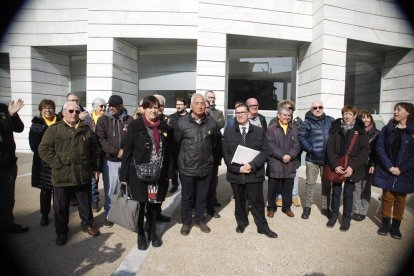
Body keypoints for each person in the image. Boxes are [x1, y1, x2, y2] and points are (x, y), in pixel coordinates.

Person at [38, 101, 100, 246]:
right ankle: (61, 232)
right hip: (62, 176)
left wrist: (95, 168)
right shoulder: (55, 129)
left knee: (85, 203)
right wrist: (56, 164)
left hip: (82, 174)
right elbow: (44, 149)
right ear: (64, 112)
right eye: (71, 111)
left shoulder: (86, 129)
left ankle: (87, 224)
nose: (74, 114)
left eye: (77, 112)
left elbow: (94, 150)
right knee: (61, 207)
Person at [119, 96, 173, 250]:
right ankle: (141, 232)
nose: (153, 110)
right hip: (138, 174)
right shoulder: (135, 126)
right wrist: (124, 176)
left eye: (156, 107)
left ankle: (152, 230)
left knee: (155, 204)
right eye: (150, 107)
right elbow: (127, 152)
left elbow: (169, 153)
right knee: (141, 203)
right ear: (143, 108)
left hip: (158, 175)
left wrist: (169, 172)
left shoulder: (165, 127)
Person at [223, 103, 277, 238]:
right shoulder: (229, 131)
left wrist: (252, 164)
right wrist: (238, 168)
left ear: (248, 114)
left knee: (257, 202)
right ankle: (241, 222)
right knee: (239, 201)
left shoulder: (259, 131)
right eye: (237, 113)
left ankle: (262, 227)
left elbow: (265, 151)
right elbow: (226, 154)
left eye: (243, 112)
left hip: (254, 173)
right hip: (236, 174)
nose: (240, 115)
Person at [175, 93, 221, 236]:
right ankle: (186, 222)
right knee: (187, 197)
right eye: (197, 103)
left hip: (206, 167)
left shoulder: (211, 122)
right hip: (187, 168)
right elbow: (175, 145)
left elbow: (216, 143)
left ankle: (200, 220)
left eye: (203, 103)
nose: (200, 106)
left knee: (202, 196)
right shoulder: (182, 123)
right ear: (191, 106)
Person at [325, 105, 369, 231]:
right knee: (336, 193)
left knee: (349, 194)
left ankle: (346, 220)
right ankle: (333, 217)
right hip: (338, 165)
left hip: (352, 167)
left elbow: (365, 151)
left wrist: (352, 167)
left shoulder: (360, 130)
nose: (347, 116)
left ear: (354, 116)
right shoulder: (336, 128)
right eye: (345, 113)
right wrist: (335, 165)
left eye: (350, 113)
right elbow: (330, 148)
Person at [374, 102, 414, 239]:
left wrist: (401, 168)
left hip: (404, 172)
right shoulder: (388, 128)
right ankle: (385, 224)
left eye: (398, 110)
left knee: (400, 199)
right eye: (395, 110)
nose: (395, 112)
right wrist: (389, 166)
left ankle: (396, 227)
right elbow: (379, 148)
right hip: (388, 168)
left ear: (407, 112)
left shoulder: (412, 130)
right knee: (387, 196)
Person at [96, 94, 133, 226]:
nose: (111, 108)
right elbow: (102, 140)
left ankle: (124, 213)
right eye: (109, 105)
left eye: (114, 106)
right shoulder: (102, 120)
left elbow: (133, 138)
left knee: (126, 189)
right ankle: (109, 214)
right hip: (110, 161)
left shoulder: (129, 120)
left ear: (121, 106)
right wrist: (116, 152)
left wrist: (126, 152)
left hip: (126, 160)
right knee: (111, 189)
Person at [298, 101, 335, 219]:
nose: (318, 109)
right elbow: (301, 137)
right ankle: (307, 207)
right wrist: (310, 149)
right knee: (310, 183)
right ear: (311, 109)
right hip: (312, 159)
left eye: (320, 107)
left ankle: (325, 207)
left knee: (327, 184)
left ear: (323, 108)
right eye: (315, 107)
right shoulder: (307, 122)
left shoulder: (330, 120)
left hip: (327, 159)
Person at [29, 99, 60, 226]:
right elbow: (34, 146)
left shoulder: (60, 121)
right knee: (46, 191)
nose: (48, 110)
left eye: (51, 107)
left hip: (59, 161)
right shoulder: (36, 124)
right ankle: (45, 214)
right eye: (45, 108)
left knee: (59, 191)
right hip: (43, 164)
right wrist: (47, 158)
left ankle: (59, 214)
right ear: (41, 110)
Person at [0, 99, 29, 233]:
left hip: (7, 163)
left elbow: (19, 128)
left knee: (7, 196)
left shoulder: (4, 108)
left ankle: (7, 223)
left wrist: (12, 115)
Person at [266, 107, 300, 218]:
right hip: (275, 163)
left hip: (290, 163)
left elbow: (297, 145)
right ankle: (271, 208)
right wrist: (282, 156)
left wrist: (290, 155)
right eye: (284, 115)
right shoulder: (271, 128)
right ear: (279, 115)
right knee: (272, 189)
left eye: (288, 115)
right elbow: (270, 145)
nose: (286, 117)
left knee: (288, 188)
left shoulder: (294, 129)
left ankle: (286, 208)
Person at [352, 110, 380, 222]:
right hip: (357, 164)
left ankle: (363, 211)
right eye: (363, 117)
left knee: (366, 188)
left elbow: (376, 151)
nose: (366, 120)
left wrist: (373, 163)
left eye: (368, 117)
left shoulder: (376, 133)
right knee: (356, 188)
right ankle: (357, 210)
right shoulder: (356, 132)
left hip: (369, 164)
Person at [204, 91, 224, 217]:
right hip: (201, 156)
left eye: (213, 97)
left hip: (214, 155)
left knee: (213, 181)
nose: (212, 99)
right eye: (209, 97)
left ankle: (211, 203)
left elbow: (220, 124)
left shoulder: (218, 113)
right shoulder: (199, 114)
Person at [89, 97, 107, 212]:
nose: (104, 108)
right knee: (93, 180)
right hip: (93, 155)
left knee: (107, 179)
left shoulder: (108, 118)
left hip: (105, 154)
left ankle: (109, 201)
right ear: (94, 107)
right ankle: (94, 202)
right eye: (101, 106)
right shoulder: (87, 119)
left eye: (105, 106)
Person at [168, 97, 188, 193]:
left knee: (183, 169)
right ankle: (175, 184)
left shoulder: (189, 117)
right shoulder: (171, 117)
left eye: (180, 104)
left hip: (185, 148)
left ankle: (185, 185)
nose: (178, 106)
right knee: (173, 168)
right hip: (173, 147)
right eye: (177, 104)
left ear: (185, 106)